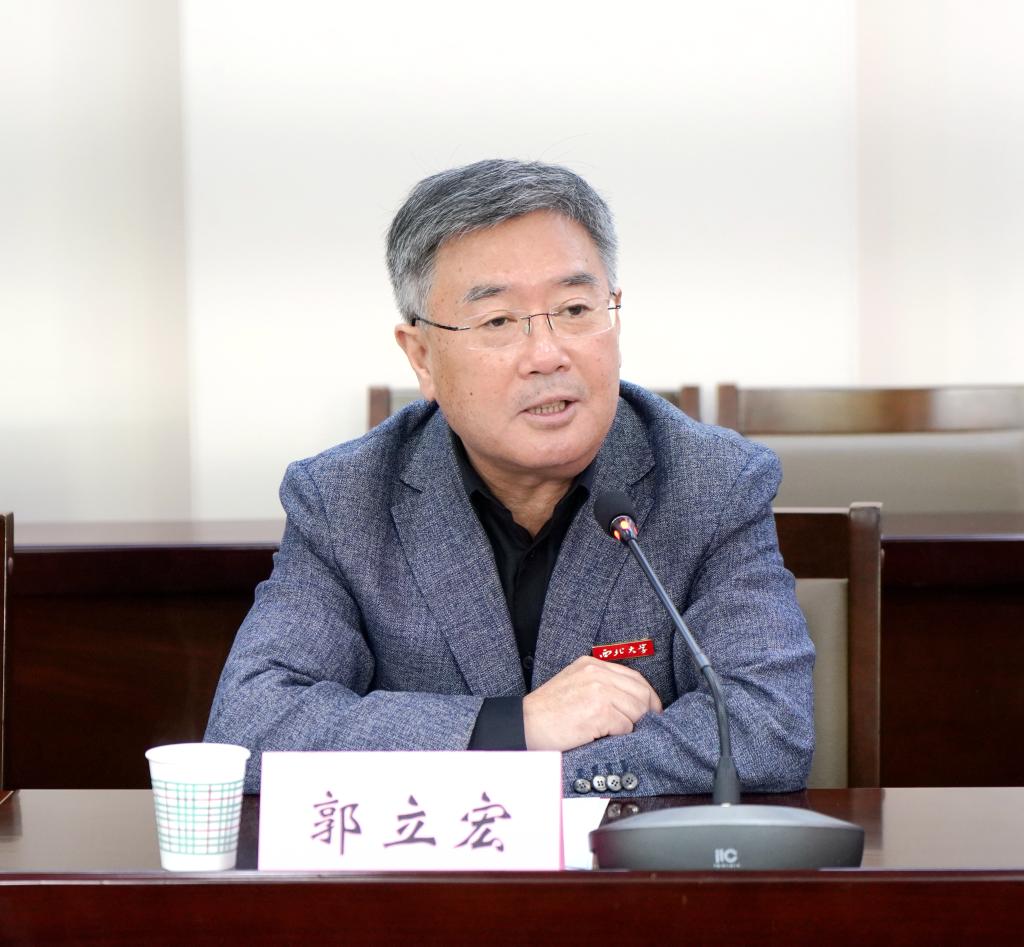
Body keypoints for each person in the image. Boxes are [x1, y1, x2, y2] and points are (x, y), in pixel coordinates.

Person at [205, 158, 814, 795]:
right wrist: (513, 728)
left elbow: (764, 731)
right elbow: (250, 729)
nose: (548, 355)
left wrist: (523, 776)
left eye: (575, 308)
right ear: (422, 357)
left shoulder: (712, 483)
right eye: (498, 321)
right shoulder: (345, 500)